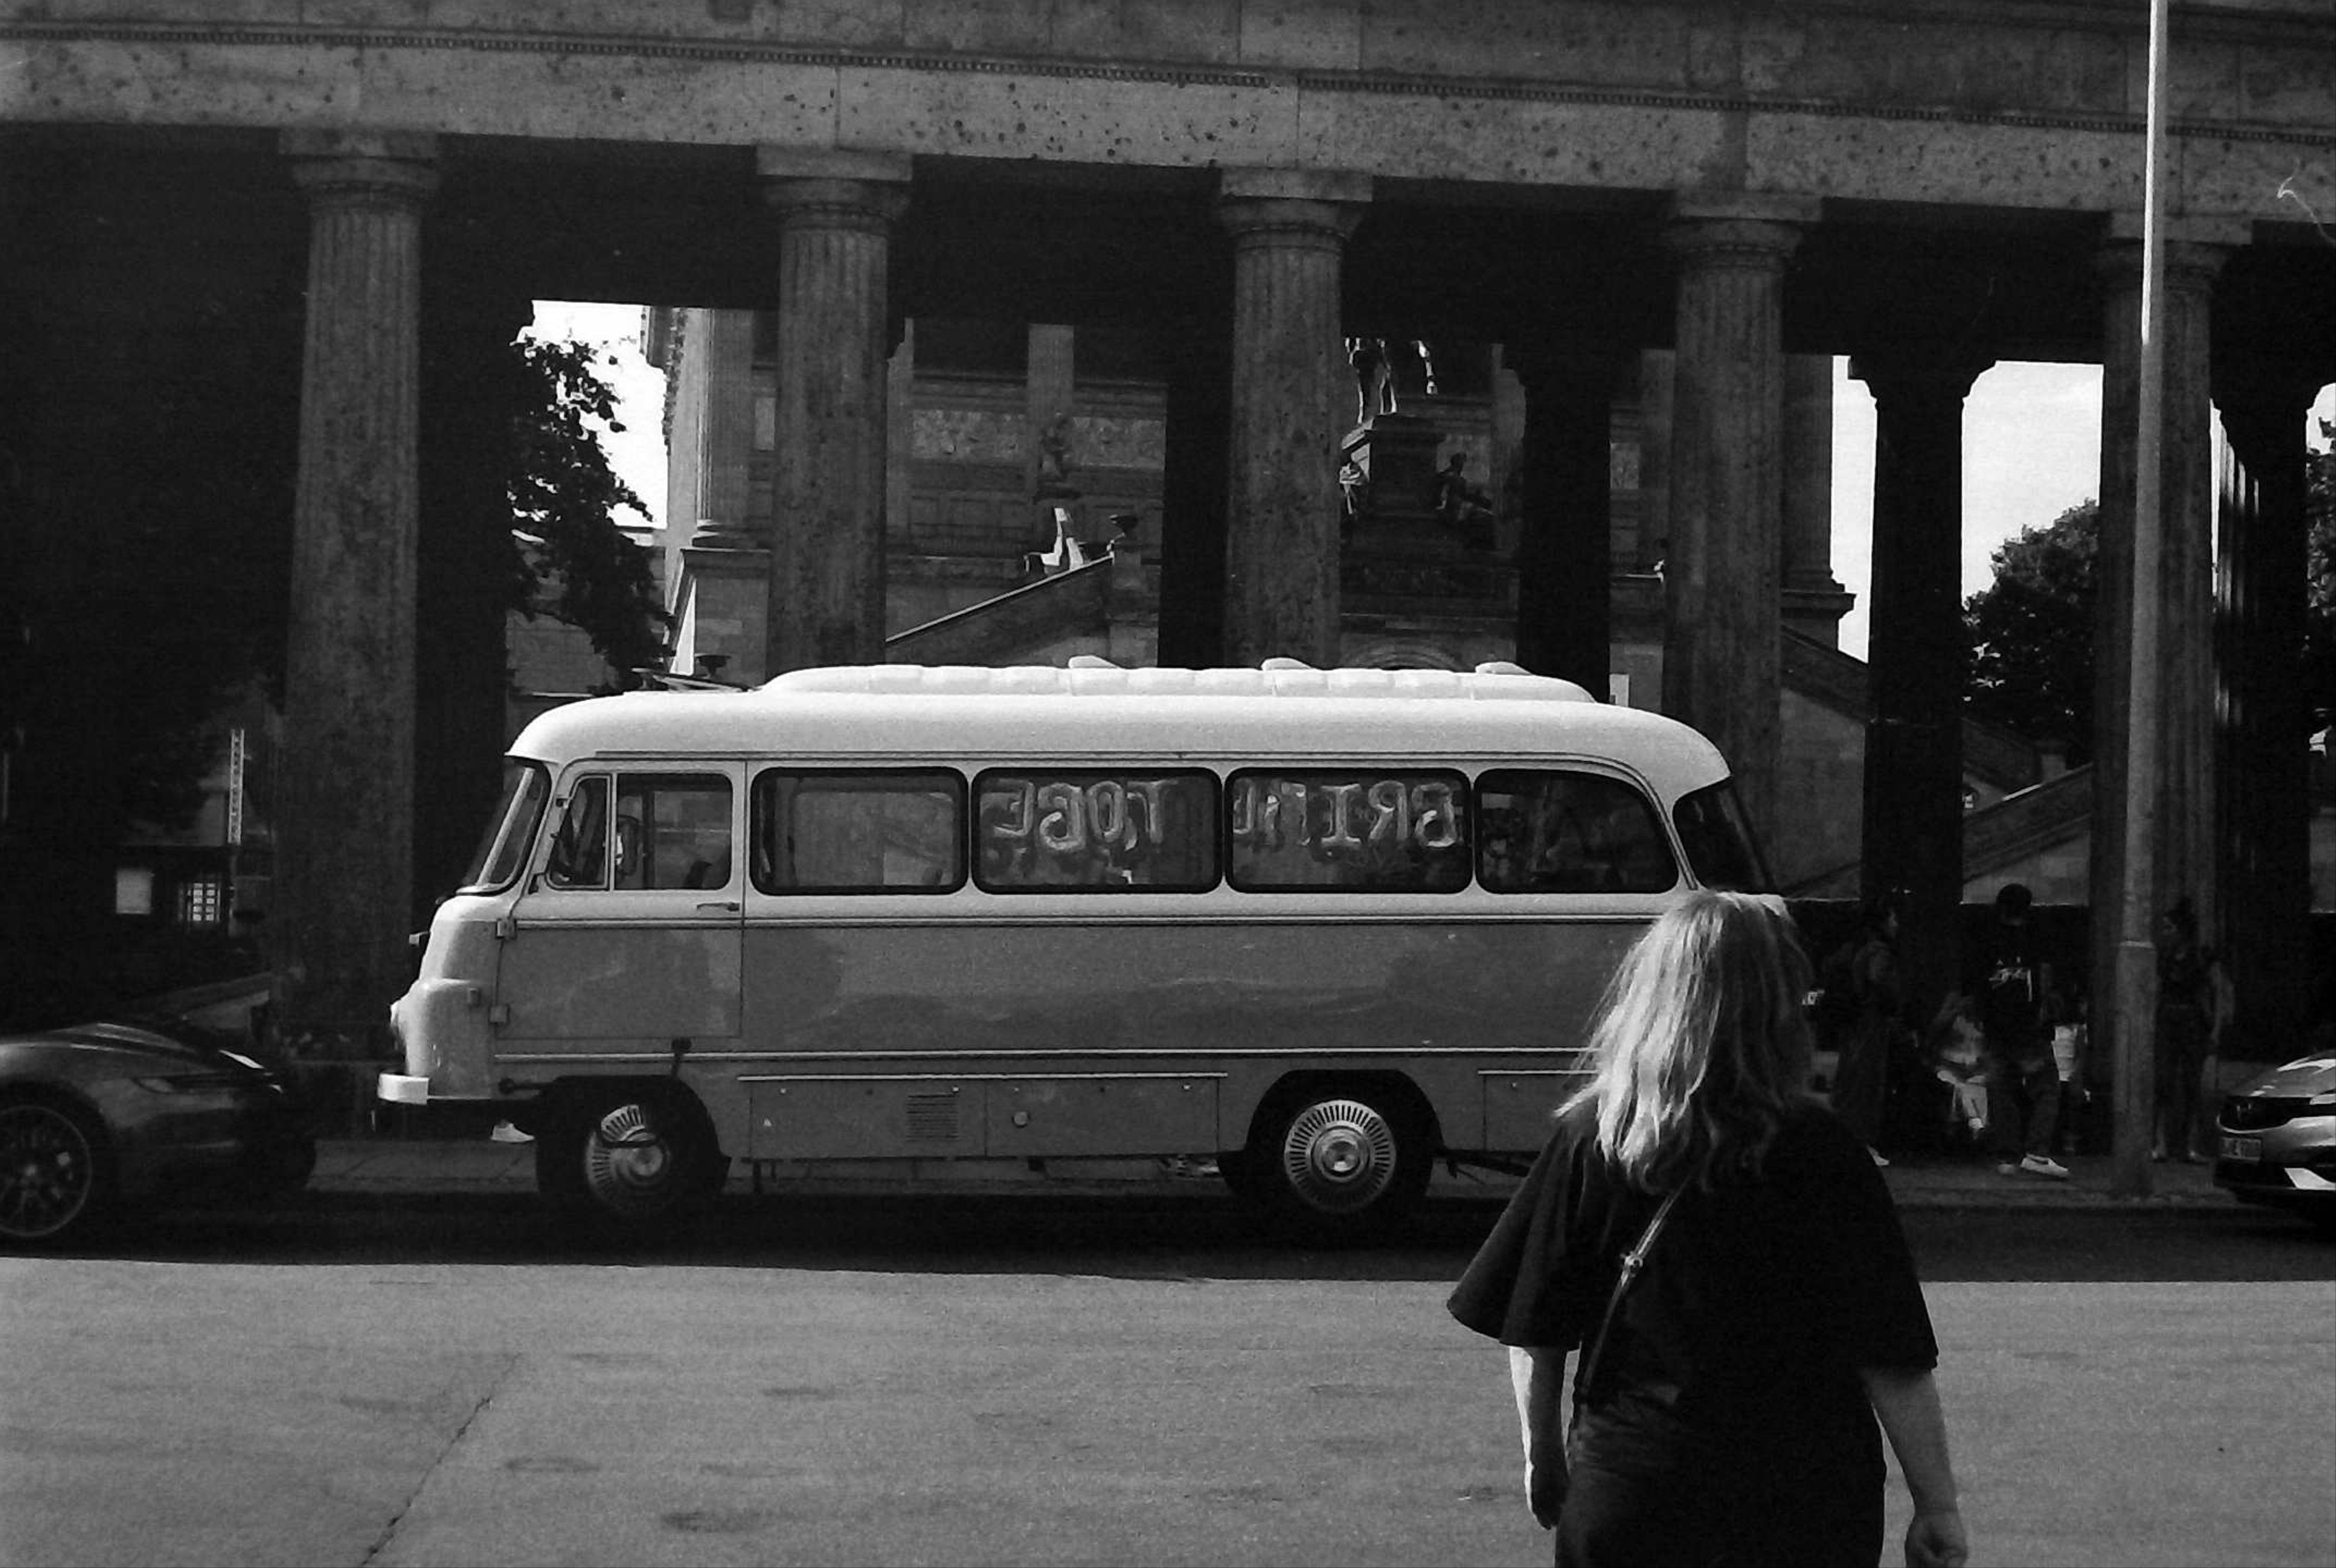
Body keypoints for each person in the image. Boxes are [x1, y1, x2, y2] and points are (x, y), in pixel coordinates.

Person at [1448, 891, 1969, 1568]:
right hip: (1803, 1497)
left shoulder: (1596, 1139)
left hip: (1635, 1486)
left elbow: (1536, 1327)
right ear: (1781, 1004)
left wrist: (1543, 1458)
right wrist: (1936, 1504)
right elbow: (1892, 1354)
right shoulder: (1825, 1151)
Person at [1969, 883, 2067, 1180]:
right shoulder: (2034, 939)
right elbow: (2044, 980)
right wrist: (2044, 1014)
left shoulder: (1986, 941)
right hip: (2028, 1026)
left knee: (2002, 1090)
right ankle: (2037, 1152)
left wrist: (1983, 1019)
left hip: (1996, 1026)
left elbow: (1977, 985)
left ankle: (2007, 1156)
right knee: (2047, 1086)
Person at [1830, 893, 1907, 1167]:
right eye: (1893, 918)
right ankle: (1861, 1143)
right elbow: (1879, 979)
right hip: (1871, 1022)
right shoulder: (1878, 952)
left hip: (1852, 1022)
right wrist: (1893, 1000)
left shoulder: (1851, 949)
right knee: (1867, 1083)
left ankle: (1843, 1140)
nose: (1896, 924)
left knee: (1849, 1082)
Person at [2154, 897, 2213, 1164]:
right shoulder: (2164, 958)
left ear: (2182, 931)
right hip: (2169, 1021)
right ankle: (2161, 1143)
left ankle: (2189, 1144)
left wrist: (2212, 1028)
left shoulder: (2199, 957)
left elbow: (2209, 992)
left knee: (2192, 1084)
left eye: (2169, 928)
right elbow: (2158, 989)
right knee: (2163, 1082)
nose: (2165, 933)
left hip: (2191, 1023)